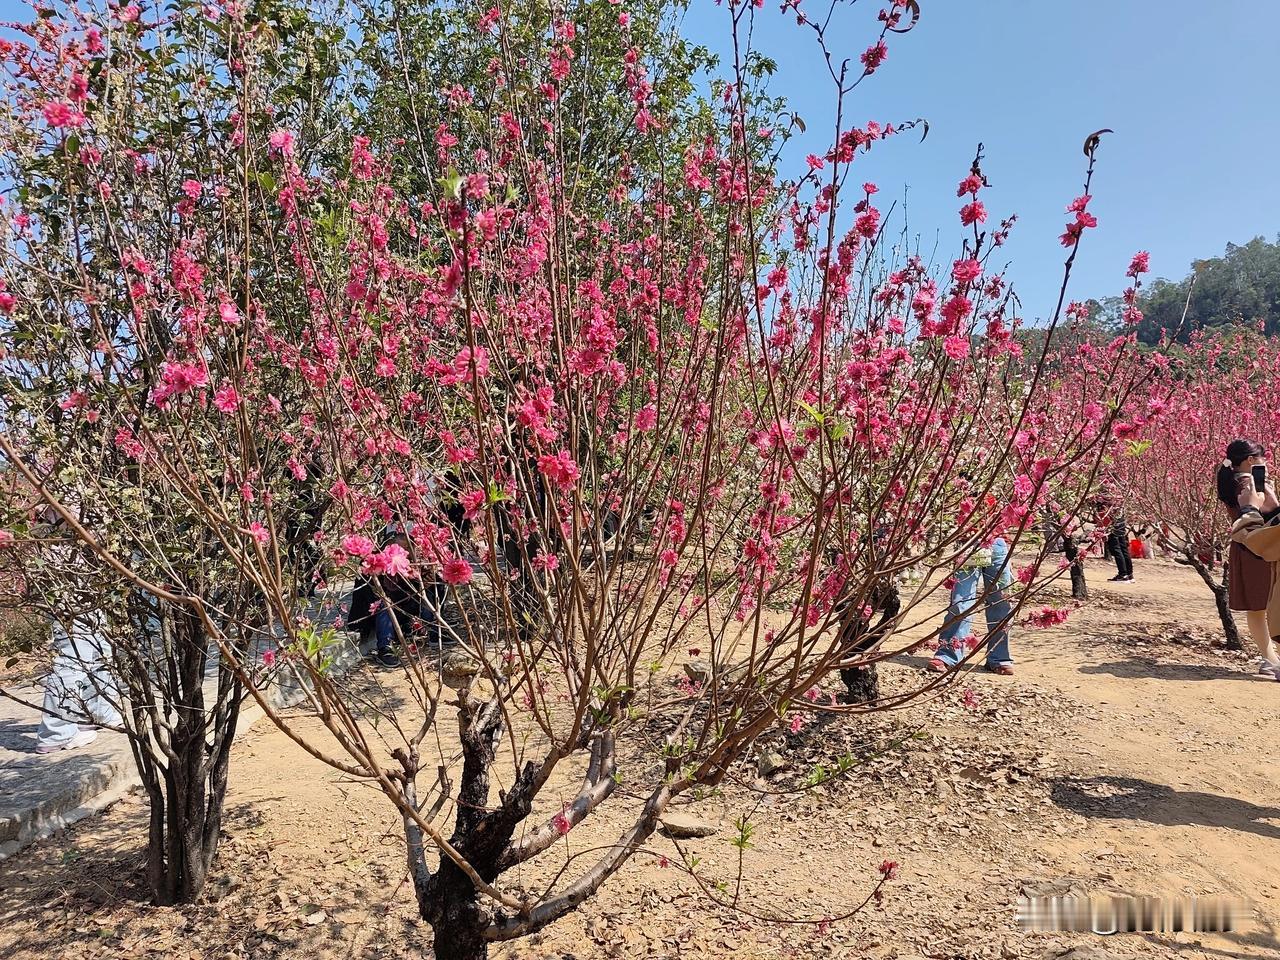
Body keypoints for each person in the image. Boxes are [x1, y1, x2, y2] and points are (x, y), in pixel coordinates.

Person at [1215, 439, 1280, 678]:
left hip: (1245, 545)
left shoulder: (1231, 480)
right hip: (1261, 543)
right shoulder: (1249, 482)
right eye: (1262, 459)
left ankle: (1270, 659)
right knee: (1270, 604)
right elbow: (1266, 511)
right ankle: (1272, 661)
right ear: (1251, 460)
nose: (1265, 463)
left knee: (1257, 606)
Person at [34, 610, 122, 754]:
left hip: (89, 597)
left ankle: (95, 713)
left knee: (101, 651)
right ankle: (57, 732)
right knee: (71, 658)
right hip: (71, 598)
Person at [930, 537, 1014, 675]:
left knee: (1001, 601)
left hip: (999, 544)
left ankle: (999, 658)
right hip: (971, 541)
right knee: (961, 602)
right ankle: (948, 655)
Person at [1099, 492, 1134, 583]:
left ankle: (1123, 574)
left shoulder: (1108, 496)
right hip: (1121, 524)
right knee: (1123, 549)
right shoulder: (1120, 494)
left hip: (1113, 526)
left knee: (1116, 549)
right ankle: (1129, 574)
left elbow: (1105, 511)